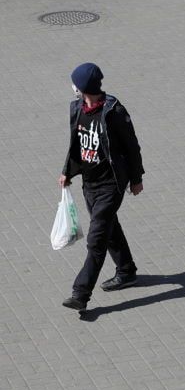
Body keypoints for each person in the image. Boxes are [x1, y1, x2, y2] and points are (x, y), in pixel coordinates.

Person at [59, 63, 145, 312]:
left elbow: (132, 146)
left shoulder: (114, 112)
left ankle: (80, 293)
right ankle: (127, 270)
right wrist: (67, 171)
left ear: (82, 86)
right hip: (89, 183)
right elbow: (75, 144)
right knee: (109, 227)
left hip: (111, 185)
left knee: (96, 241)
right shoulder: (76, 108)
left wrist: (136, 178)